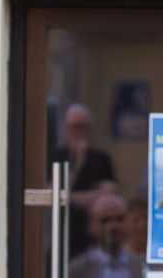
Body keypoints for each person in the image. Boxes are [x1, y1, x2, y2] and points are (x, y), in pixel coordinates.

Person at [50, 104, 118, 256]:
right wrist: (78, 163)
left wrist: (70, 197)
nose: (81, 132)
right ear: (66, 130)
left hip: (95, 234)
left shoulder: (101, 158)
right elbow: (53, 193)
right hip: (65, 231)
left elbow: (109, 193)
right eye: (76, 127)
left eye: (85, 127)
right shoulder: (57, 157)